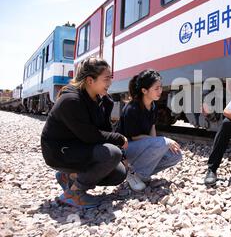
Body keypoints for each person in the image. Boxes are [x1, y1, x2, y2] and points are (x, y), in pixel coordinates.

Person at [41, 57, 129, 209]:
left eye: (110, 78)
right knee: (112, 154)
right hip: (59, 152)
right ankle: (73, 194)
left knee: (119, 173)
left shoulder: (100, 100)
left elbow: (104, 132)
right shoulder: (71, 100)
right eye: (106, 78)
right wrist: (119, 139)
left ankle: (69, 176)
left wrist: (107, 111)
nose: (110, 83)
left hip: (80, 147)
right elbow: (90, 135)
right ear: (90, 80)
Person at [118, 70, 183, 192]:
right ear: (144, 91)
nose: (160, 91)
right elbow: (135, 137)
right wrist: (161, 142)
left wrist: (158, 145)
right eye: (156, 88)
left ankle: (140, 174)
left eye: (160, 87)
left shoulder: (152, 106)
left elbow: (152, 128)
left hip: (141, 146)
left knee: (176, 155)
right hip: (127, 149)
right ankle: (131, 173)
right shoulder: (132, 108)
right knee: (163, 143)